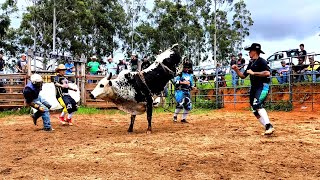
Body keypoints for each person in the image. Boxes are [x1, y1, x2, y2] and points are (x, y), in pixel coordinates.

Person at [232, 43, 274, 135]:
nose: (249, 52)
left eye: (250, 51)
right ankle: (267, 126)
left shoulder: (262, 61)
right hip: (254, 87)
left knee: (257, 104)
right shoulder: (251, 62)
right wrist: (236, 70)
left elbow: (267, 73)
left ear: (255, 51)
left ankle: (269, 126)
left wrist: (254, 73)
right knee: (254, 109)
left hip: (262, 86)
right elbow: (243, 76)